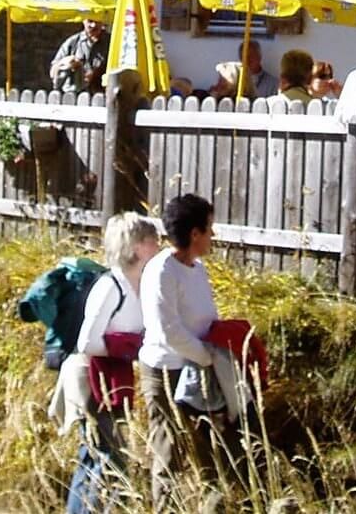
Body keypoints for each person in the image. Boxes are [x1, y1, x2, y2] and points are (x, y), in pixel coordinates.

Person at [66, 213, 162, 514]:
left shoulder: (142, 285)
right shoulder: (111, 286)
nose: (157, 246)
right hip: (92, 378)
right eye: (151, 241)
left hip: (114, 376)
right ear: (135, 247)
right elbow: (86, 343)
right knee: (109, 456)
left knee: (94, 454)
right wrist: (127, 344)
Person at [138, 193, 222, 508]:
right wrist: (206, 356)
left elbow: (205, 317)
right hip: (166, 371)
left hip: (199, 368)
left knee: (208, 449)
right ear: (194, 234)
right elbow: (168, 330)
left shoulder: (197, 268)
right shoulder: (161, 271)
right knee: (168, 449)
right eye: (209, 228)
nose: (212, 235)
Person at [50, 17, 109, 95]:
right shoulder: (73, 42)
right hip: (73, 96)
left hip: (101, 95)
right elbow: (53, 70)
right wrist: (66, 63)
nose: (94, 25)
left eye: (97, 21)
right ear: (84, 21)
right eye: (90, 21)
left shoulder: (111, 43)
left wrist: (95, 74)